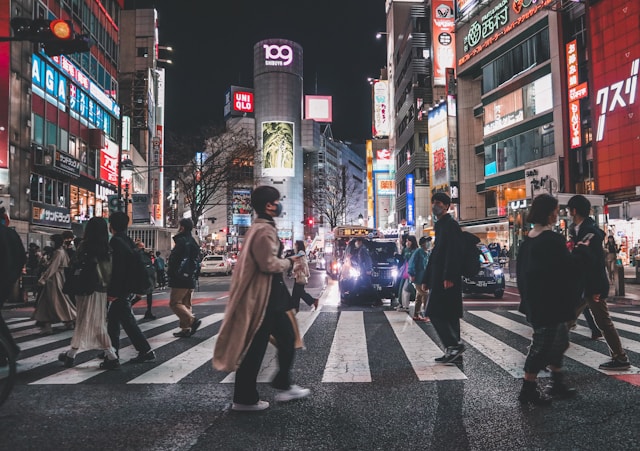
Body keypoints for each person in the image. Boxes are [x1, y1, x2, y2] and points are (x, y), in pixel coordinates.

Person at [213, 185, 310, 412]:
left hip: (270, 296)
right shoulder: (263, 230)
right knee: (267, 343)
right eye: (276, 201)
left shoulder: (261, 228)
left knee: (279, 340)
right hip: (265, 298)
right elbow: (268, 264)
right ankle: (249, 396)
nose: (279, 205)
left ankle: (274, 386)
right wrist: (291, 261)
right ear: (268, 205)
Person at [516, 194, 581, 405]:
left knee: (559, 342)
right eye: (555, 209)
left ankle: (557, 381)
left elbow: (521, 276)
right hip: (551, 304)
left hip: (536, 303)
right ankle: (528, 388)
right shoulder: (552, 241)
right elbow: (568, 271)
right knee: (542, 345)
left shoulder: (527, 242)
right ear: (549, 213)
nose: (557, 213)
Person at [568, 194, 631, 370]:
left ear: (574, 211)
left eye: (569, 210)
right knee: (566, 318)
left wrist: (596, 288)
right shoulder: (579, 229)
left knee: (602, 321)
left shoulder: (590, 231)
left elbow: (593, 261)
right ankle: (548, 355)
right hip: (583, 285)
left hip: (591, 285)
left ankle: (621, 358)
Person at [58, 217, 120, 370]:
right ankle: (71, 354)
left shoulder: (85, 246)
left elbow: (74, 265)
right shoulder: (107, 248)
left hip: (86, 288)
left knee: (86, 320)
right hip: (101, 290)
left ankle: (111, 355)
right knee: (94, 321)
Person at [420, 192, 465, 364]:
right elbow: (435, 255)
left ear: (447, 206)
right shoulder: (441, 226)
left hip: (446, 278)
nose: (435, 205)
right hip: (440, 277)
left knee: (434, 312)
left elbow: (454, 253)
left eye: (439, 202)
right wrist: (426, 278)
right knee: (450, 315)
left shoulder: (450, 225)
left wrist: (450, 276)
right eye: (434, 202)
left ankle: (454, 345)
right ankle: (454, 353)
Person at [107, 212, 156, 364]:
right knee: (116, 320)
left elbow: (118, 269)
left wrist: (113, 291)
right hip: (128, 286)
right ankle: (112, 352)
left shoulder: (116, 241)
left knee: (125, 321)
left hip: (121, 288)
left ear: (111, 225)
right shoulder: (127, 240)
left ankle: (143, 351)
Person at [31, 234, 77, 335]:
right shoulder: (59, 252)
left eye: (52, 241)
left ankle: (70, 319)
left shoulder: (59, 252)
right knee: (56, 301)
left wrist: (43, 278)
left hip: (54, 280)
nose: (50, 243)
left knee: (56, 300)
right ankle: (68, 320)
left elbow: (53, 267)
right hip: (54, 279)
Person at [167, 218, 202, 338]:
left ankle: (192, 321)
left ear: (182, 227)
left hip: (180, 277)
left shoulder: (181, 241)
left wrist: (171, 273)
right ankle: (185, 329)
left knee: (175, 303)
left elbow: (174, 260)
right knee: (186, 304)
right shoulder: (193, 241)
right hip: (191, 276)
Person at [0, 214, 26, 358]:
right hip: (7, 282)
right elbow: (22, 257)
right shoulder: (11, 233)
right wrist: (12, 276)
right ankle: (8, 349)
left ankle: (9, 348)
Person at [290, 240, 318, 311]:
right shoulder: (300, 253)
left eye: (295, 245)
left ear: (298, 245)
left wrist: (296, 268)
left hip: (300, 275)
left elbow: (303, 263)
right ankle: (295, 307)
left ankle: (313, 301)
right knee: (296, 293)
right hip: (298, 275)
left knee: (299, 293)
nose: (295, 246)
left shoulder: (301, 253)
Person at [408, 236, 431, 322]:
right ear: (422, 243)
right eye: (427, 241)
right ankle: (426, 315)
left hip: (423, 278)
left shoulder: (427, 252)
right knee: (425, 294)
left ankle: (416, 314)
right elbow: (412, 263)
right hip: (417, 277)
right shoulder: (418, 251)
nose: (428, 243)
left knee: (419, 296)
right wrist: (412, 274)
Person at [132, 241, 157, 320]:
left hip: (148, 277)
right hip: (139, 277)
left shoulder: (146, 255)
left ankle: (149, 311)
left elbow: (152, 263)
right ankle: (125, 308)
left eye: (143, 246)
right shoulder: (135, 254)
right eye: (141, 247)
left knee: (148, 294)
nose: (143, 248)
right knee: (138, 296)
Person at [397, 235, 418, 312]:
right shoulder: (405, 250)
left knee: (406, 289)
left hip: (411, 271)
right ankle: (403, 304)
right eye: (406, 241)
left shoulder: (416, 251)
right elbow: (402, 259)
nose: (407, 243)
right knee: (403, 288)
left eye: (409, 241)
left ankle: (405, 305)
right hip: (405, 271)